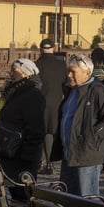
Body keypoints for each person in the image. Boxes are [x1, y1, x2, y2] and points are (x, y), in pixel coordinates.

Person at [0, 58, 46, 207]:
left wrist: (28, 160)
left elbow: (36, 130)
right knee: (17, 196)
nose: (11, 74)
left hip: (21, 156)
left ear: (26, 74)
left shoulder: (32, 94)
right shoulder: (19, 91)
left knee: (24, 197)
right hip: (10, 153)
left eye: (15, 71)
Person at [51, 53, 104, 197]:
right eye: (68, 71)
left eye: (73, 72)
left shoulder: (98, 90)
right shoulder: (71, 90)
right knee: (68, 199)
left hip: (87, 154)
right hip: (69, 153)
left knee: (87, 199)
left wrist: (92, 137)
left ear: (87, 72)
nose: (69, 75)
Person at [36, 38, 68, 175]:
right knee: (52, 133)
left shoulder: (36, 65)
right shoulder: (61, 65)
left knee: (42, 133)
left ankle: (43, 161)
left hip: (41, 102)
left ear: (40, 49)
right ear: (53, 49)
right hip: (58, 102)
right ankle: (50, 161)